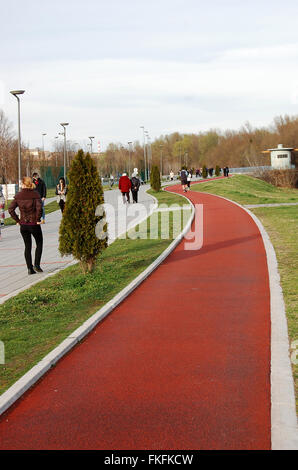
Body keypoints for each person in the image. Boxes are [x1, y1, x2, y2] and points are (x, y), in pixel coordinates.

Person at [8, 177, 43, 275]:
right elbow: (39, 208)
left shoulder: (18, 195)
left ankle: (29, 268)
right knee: (39, 243)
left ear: (23, 184)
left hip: (23, 225)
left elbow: (10, 209)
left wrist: (18, 220)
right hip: (33, 224)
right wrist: (38, 219)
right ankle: (37, 264)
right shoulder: (35, 194)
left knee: (27, 246)